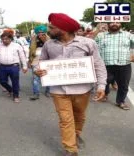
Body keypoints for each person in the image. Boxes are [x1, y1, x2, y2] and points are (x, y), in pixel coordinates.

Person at [35, 13, 107, 156]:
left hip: (82, 90)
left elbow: (98, 65)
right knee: (65, 119)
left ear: (64, 29)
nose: (48, 30)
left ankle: (76, 133)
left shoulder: (87, 43)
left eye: (52, 27)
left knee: (79, 115)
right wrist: (38, 69)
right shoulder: (49, 44)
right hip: (58, 90)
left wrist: (101, 86)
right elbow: (40, 61)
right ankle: (70, 149)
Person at [95, 22, 134, 110]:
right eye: (112, 22)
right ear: (108, 24)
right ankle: (105, 93)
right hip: (105, 65)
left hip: (124, 64)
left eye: (117, 22)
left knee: (123, 85)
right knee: (106, 81)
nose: (115, 24)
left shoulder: (128, 35)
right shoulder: (100, 36)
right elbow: (92, 47)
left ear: (121, 24)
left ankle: (120, 101)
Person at [0, 30, 28, 103]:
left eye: (6, 39)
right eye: (3, 39)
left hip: (14, 67)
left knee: (15, 82)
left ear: (11, 39)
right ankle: (10, 90)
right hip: (2, 67)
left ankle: (16, 96)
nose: (4, 40)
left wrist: (25, 66)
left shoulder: (17, 46)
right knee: (2, 81)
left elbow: (22, 56)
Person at [28, 25, 50, 100]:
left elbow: (51, 49)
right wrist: (29, 61)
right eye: (39, 32)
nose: (40, 34)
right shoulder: (33, 39)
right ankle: (36, 93)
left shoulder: (50, 40)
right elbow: (30, 50)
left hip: (47, 61)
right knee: (35, 78)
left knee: (47, 76)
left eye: (42, 32)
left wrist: (45, 40)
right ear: (37, 32)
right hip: (35, 60)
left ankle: (48, 91)